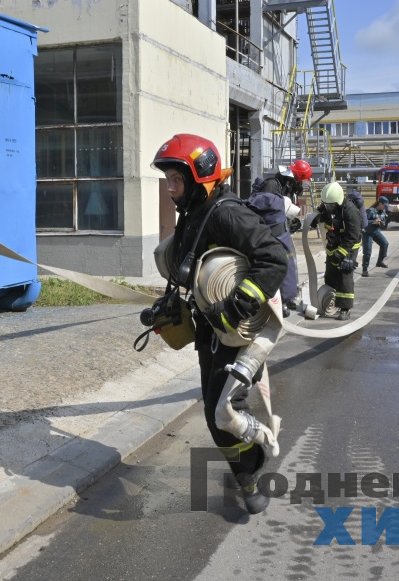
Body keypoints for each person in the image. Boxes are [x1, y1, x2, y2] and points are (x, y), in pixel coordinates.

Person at [152, 134, 287, 515]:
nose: (171, 190)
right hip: (211, 330)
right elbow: (192, 268)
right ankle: (245, 466)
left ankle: (251, 472)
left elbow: (274, 259)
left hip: (240, 331)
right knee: (215, 413)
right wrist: (166, 306)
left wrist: (238, 303)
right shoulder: (194, 214)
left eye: (177, 180)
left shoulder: (228, 214)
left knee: (222, 413)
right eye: (169, 181)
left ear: (201, 178)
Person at [254, 160, 312, 310]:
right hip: (270, 232)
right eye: (302, 180)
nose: (302, 185)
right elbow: (264, 209)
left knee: (290, 262)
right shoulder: (272, 185)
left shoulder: (287, 186)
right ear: (297, 176)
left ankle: (288, 295)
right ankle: (278, 301)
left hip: (281, 230)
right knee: (277, 263)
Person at [314, 181, 363, 321]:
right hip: (333, 245)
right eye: (327, 205)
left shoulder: (350, 211)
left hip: (348, 248)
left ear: (339, 201)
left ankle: (345, 309)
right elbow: (320, 213)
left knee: (344, 276)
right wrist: (313, 218)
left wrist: (341, 254)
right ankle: (330, 300)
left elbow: (352, 236)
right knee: (330, 274)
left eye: (331, 205)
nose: (328, 208)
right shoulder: (328, 206)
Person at [361, 196, 390, 277]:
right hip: (367, 232)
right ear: (380, 204)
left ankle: (380, 261)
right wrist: (373, 222)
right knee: (367, 252)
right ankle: (364, 270)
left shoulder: (383, 212)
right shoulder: (370, 211)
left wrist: (381, 223)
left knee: (385, 244)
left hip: (376, 232)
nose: (385, 207)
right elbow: (363, 222)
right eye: (384, 205)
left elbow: (384, 223)